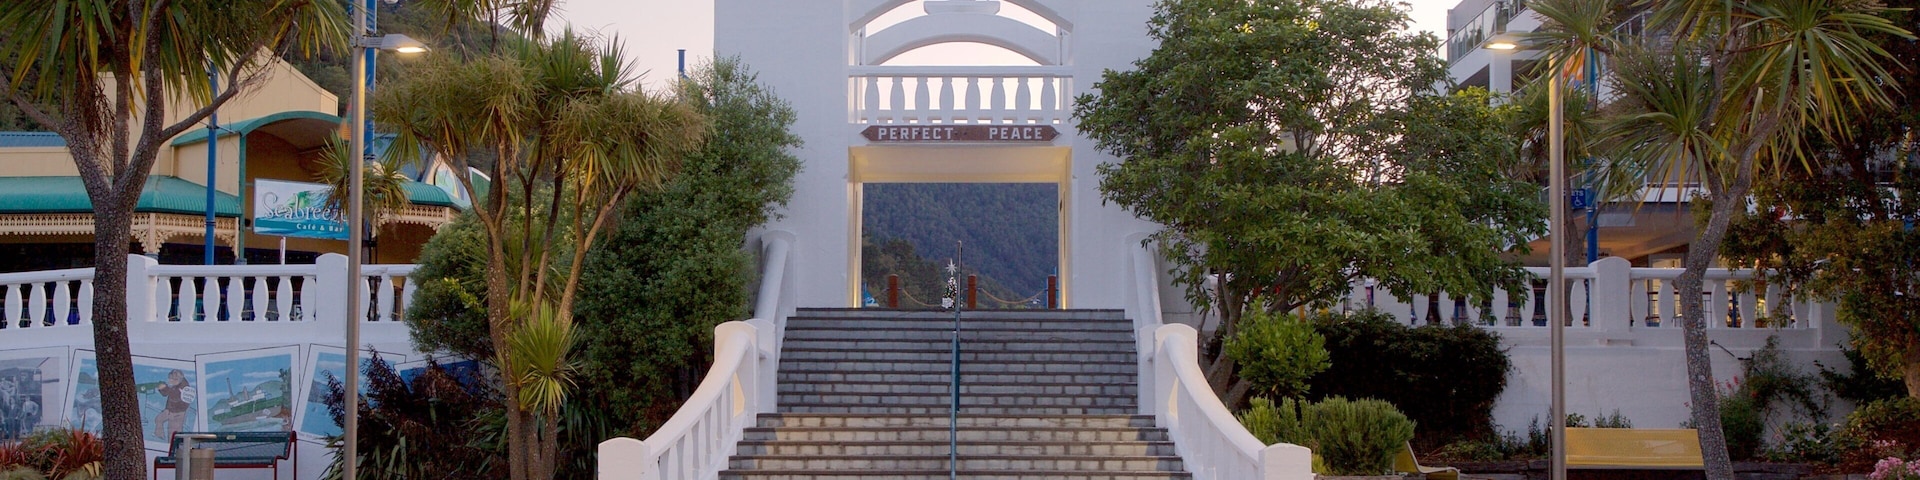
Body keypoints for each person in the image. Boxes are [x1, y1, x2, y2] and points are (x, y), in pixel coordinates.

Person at [154, 369, 193, 439]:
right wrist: (162, 387)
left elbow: (175, 397)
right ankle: (159, 436)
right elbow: (166, 394)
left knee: (173, 434)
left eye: (171, 379)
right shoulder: (176, 384)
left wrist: (164, 388)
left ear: (176, 379)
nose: (169, 381)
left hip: (177, 413)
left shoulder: (183, 387)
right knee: (158, 419)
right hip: (169, 410)